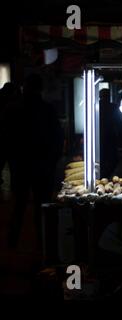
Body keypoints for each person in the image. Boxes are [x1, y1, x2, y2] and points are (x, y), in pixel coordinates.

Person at [6, 74, 63, 249]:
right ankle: (43, 245)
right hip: (43, 167)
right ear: (41, 89)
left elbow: (7, 139)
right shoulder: (48, 109)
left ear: (26, 87)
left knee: (19, 207)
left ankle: (12, 245)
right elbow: (58, 138)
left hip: (20, 166)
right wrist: (53, 161)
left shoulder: (14, 110)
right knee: (43, 207)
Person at [99, 88, 119, 178]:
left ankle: (103, 176)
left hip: (99, 136)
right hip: (111, 135)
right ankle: (106, 176)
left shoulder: (96, 106)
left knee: (102, 158)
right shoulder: (113, 107)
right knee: (113, 159)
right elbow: (119, 123)